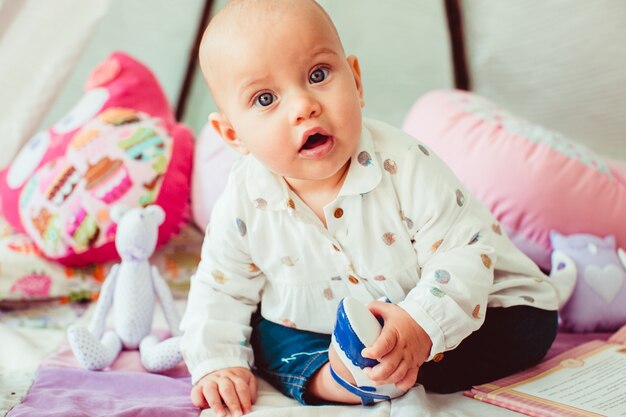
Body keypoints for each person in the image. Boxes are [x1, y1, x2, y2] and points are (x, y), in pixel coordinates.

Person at [180, 0, 559, 416]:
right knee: (257, 335)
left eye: (318, 75)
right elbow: (221, 288)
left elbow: (463, 252)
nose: (303, 106)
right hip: (323, 327)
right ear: (232, 134)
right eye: (266, 98)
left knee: (527, 328)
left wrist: (421, 325)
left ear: (356, 81)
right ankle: (340, 378)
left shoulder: (405, 163)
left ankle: (383, 367)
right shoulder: (242, 201)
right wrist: (217, 363)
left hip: (473, 306)